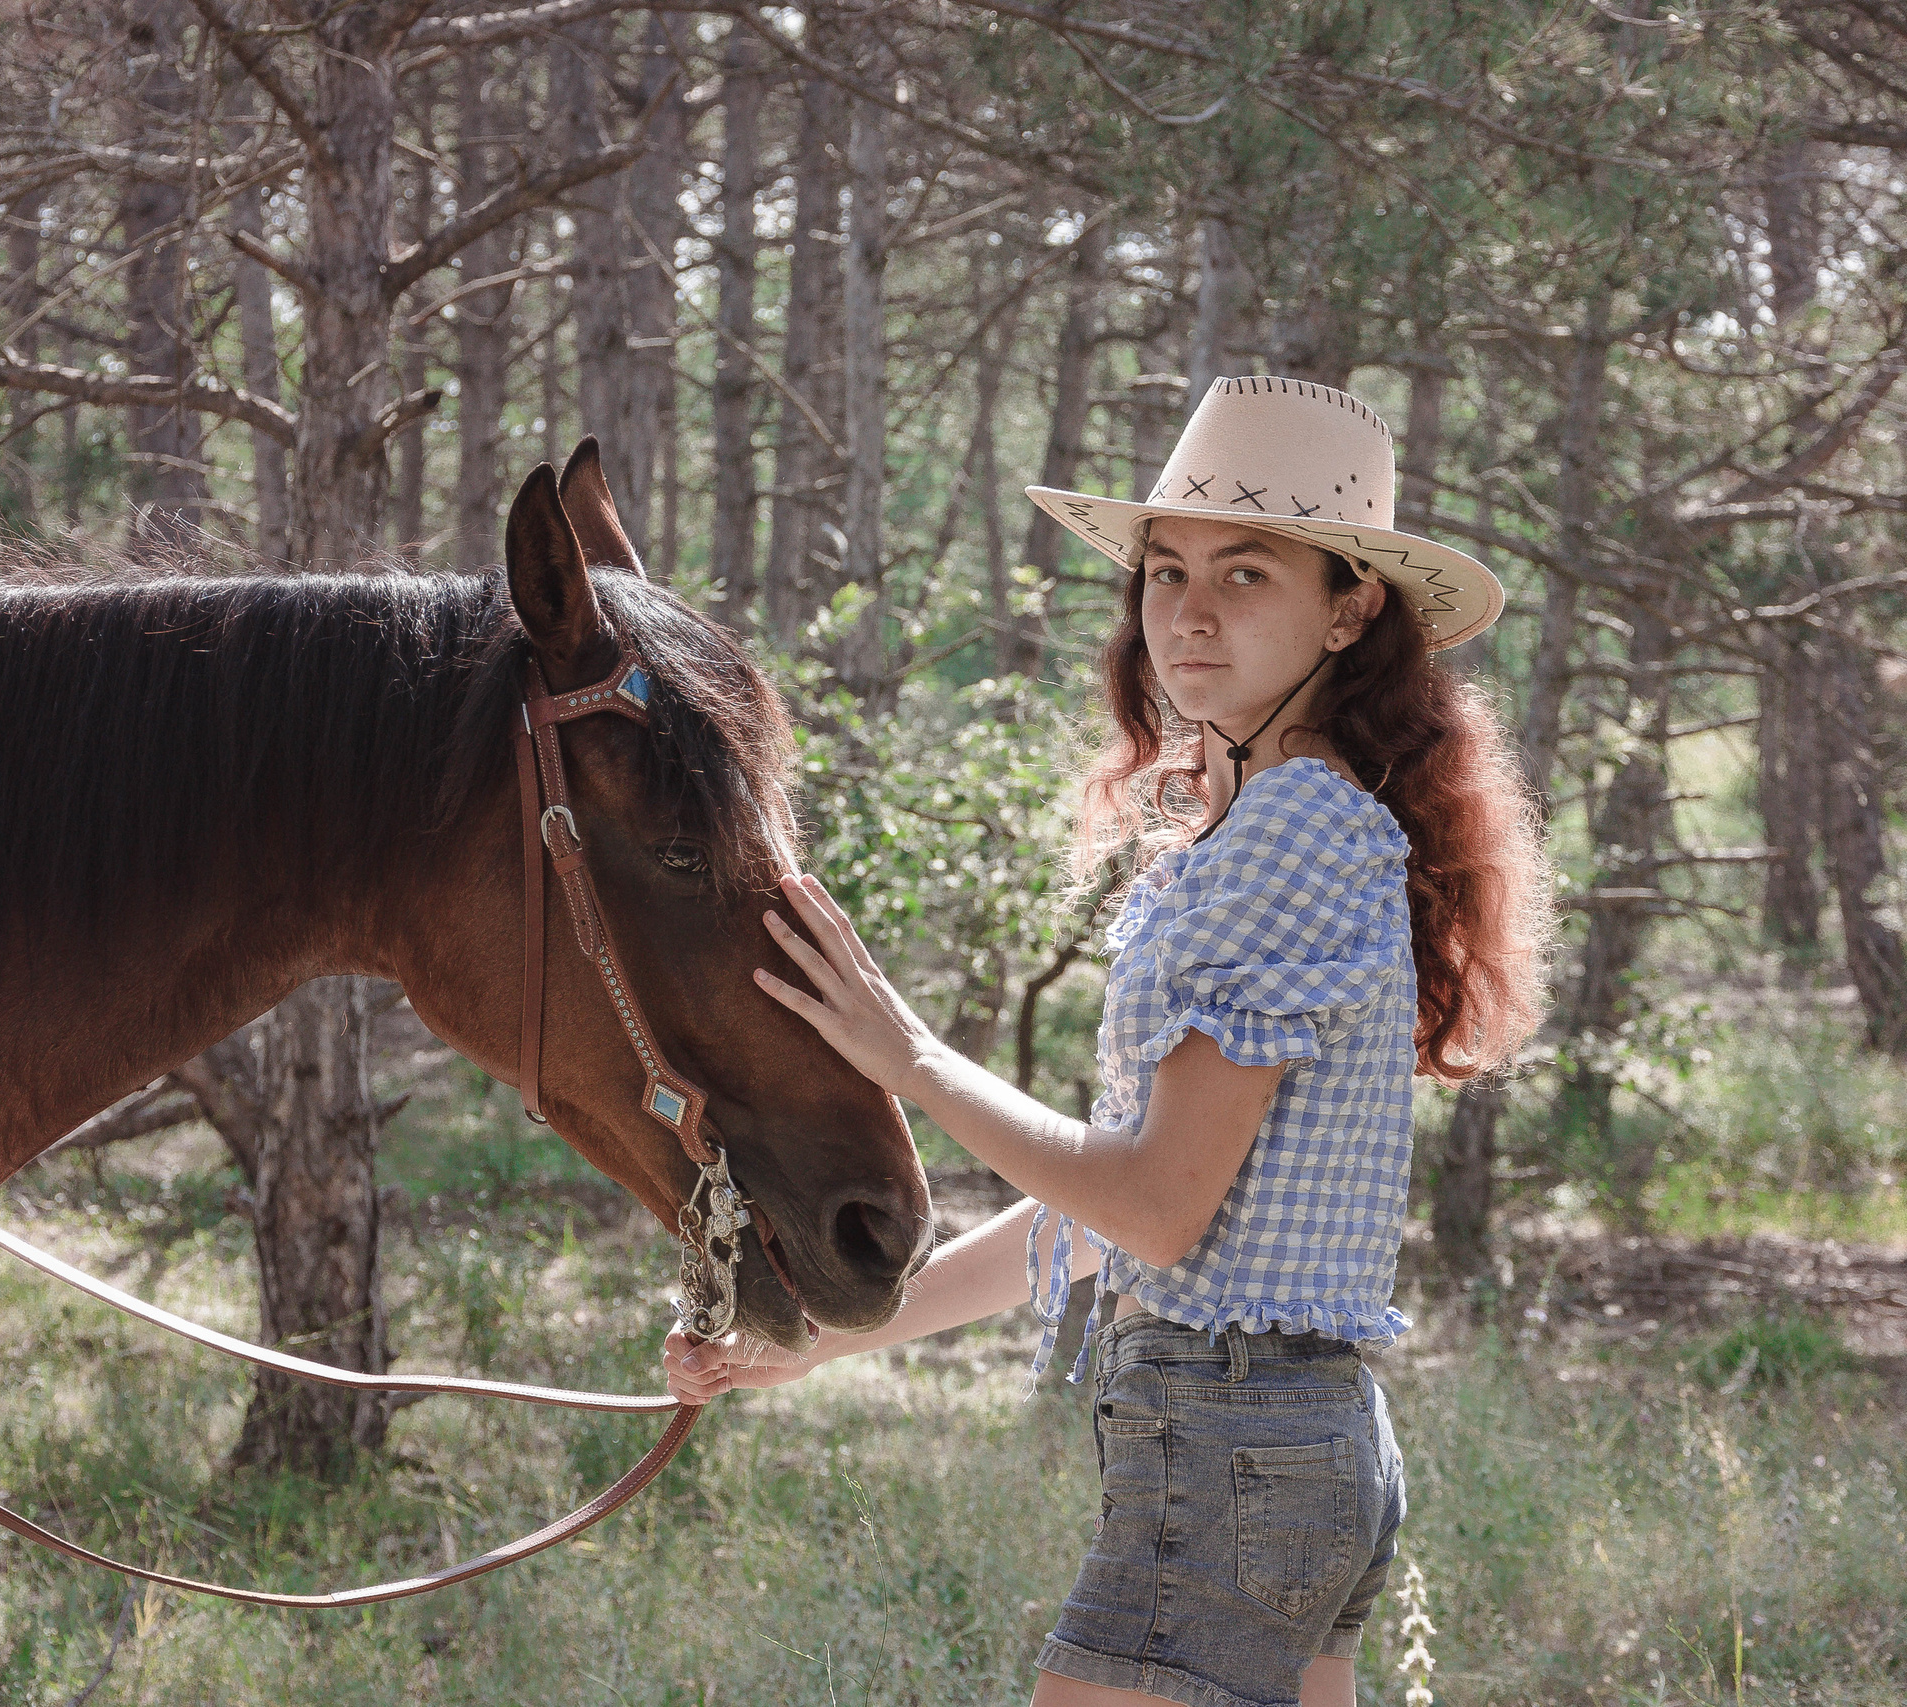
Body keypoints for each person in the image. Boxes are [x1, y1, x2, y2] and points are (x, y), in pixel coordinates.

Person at [662, 377, 1556, 1707]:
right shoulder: (1281, 824)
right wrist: (825, 1339)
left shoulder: (1295, 831)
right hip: (1288, 1445)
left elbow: (1150, 1207)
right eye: (1167, 571)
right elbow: (1107, 1211)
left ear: (1351, 608)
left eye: (1246, 573)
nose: (1189, 613)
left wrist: (914, 1060)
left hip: (1235, 1443)